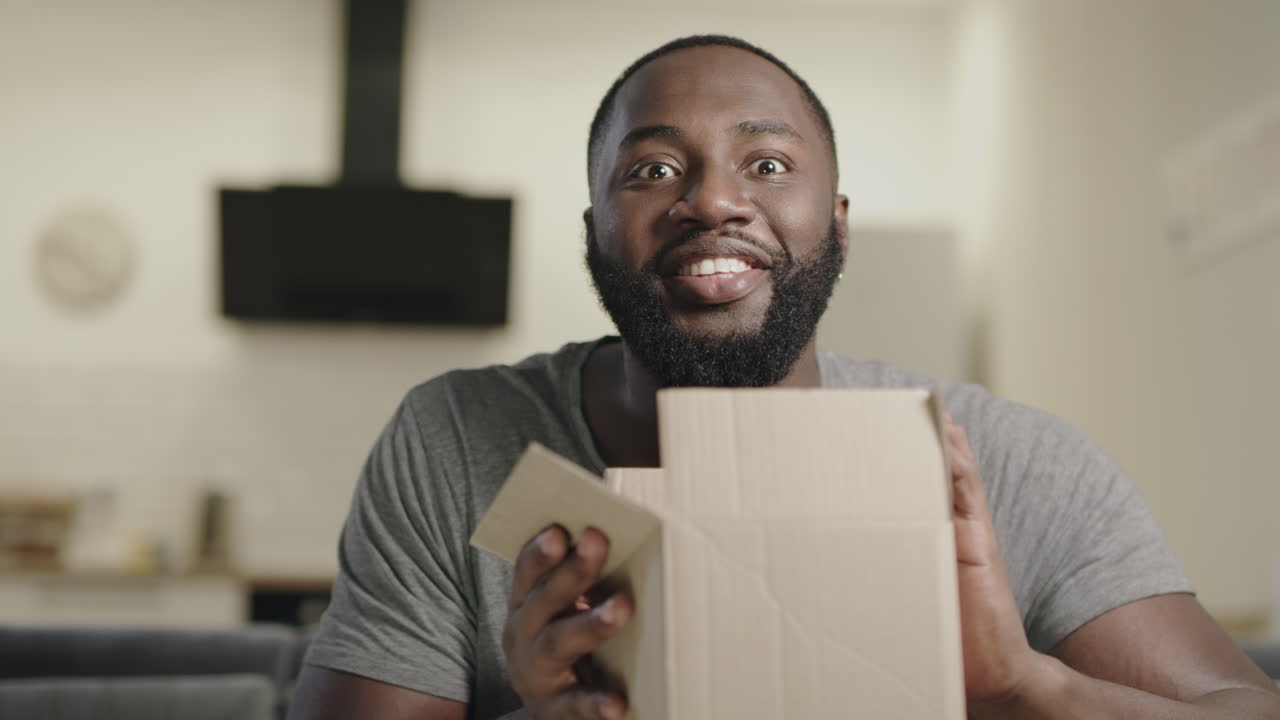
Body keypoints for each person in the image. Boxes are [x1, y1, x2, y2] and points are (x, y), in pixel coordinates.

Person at [288, 35, 1280, 720]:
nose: (712, 198)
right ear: (591, 234)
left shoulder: (1005, 463)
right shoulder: (457, 438)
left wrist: (1024, 688)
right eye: (648, 171)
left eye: (765, 165)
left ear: (836, 221)